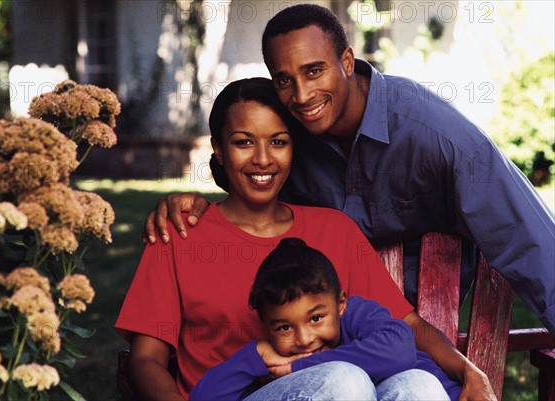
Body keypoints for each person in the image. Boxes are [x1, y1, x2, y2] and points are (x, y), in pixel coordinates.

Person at [144, 4, 555, 335]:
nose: (301, 95)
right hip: (304, 335)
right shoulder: (287, 134)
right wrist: (192, 203)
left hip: (416, 330)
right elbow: (246, 179)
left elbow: (531, 243)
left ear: (346, 60)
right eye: (284, 80)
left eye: (314, 70)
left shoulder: (440, 140)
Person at [115, 77, 467, 400]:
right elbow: (146, 361)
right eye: (243, 142)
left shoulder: (334, 229)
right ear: (219, 150)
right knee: (343, 379)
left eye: (278, 142)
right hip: (243, 394)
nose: (263, 159)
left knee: (417, 385)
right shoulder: (179, 233)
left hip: (339, 388)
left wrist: (469, 373)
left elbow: (404, 326)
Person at [190, 237, 462, 401]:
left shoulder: (355, 317)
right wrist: (254, 357)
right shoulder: (271, 357)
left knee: (418, 383)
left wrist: (299, 366)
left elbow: (400, 350)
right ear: (266, 324)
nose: (304, 339)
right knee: (345, 379)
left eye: (316, 318)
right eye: (284, 327)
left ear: (341, 303)